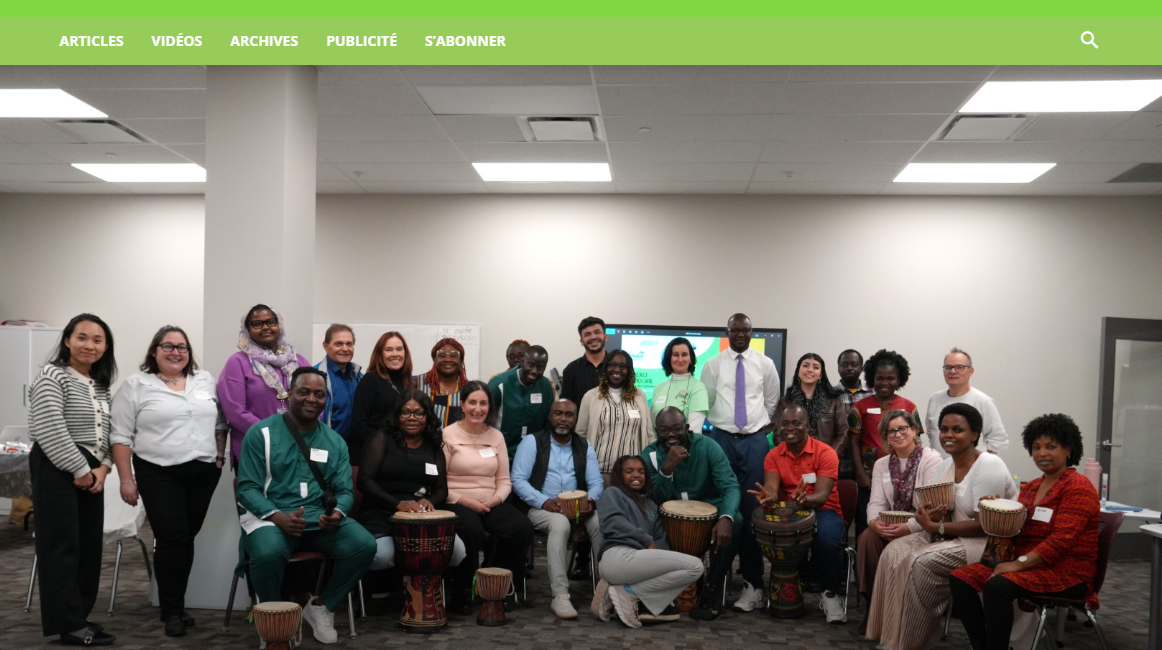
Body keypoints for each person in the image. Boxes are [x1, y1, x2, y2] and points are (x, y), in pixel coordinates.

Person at [236, 367, 376, 645]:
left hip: (317, 518)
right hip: (271, 518)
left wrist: (336, 513)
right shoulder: (260, 433)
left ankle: (322, 605)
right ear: (289, 394)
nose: (312, 399)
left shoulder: (334, 441)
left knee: (364, 545)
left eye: (319, 394)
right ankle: (274, 622)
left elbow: (345, 490)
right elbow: (246, 488)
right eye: (304, 392)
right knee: (267, 552)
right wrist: (277, 517)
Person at [865, 403, 1017, 650]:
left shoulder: (988, 464)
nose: (949, 435)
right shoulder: (946, 465)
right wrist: (928, 515)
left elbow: (983, 526)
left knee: (918, 561)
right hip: (947, 535)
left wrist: (937, 526)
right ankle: (891, 636)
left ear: (974, 434)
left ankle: (913, 642)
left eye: (958, 429)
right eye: (944, 429)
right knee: (894, 552)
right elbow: (927, 506)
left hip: (984, 544)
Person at [110, 325, 226, 637]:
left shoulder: (205, 380)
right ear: (154, 351)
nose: (176, 352)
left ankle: (176, 603)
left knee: (186, 537)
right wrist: (126, 479)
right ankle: (171, 610)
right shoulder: (136, 385)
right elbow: (120, 435)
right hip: (157, 471)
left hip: (202, 472)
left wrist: (219, 457)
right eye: (168, 346)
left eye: (182, 347)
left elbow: (220, 422)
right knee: (172, 537)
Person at [950, 413, 1100, 650]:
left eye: (1051, 447)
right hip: (1034, 565)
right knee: (961, 578)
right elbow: (1017, 529)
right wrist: (996, 510)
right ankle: (981, 644)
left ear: (1069, 449)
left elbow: (1061, 540)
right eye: (1036, 447)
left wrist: (1018, 564)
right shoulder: (1032, 487)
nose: (1042, 453)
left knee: (998, 586)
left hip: (1068, 572)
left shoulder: (1078, 487)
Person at [28, 314, 118, 646]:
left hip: (92, 471)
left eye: (98, 340)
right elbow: (50, 428)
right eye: (82, 337)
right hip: (57, 466)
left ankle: (79, 618)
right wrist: (80, 470)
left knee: (87, 548)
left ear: (106, 347)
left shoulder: (100, 384)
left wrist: (104, 468)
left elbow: (109, 434)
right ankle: (67, 623)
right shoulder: (53, 375)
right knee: (61, 548)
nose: (89, 345)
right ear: (67, 340)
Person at [698, 312, 780, 612]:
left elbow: (771, 401)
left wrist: (754, 428)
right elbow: (705, 402)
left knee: (751, 509)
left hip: (756, 441)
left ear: (751, 332)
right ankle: (717, 579)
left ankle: (753, 583)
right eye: (735, 330)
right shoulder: (712, 365)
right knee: (722, 507)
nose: (740, 335)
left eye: (745, 330)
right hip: (721, 440)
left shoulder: (765, 364)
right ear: (727, 332)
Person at [442, 380, 534, 612]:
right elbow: (439, 483)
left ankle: (496, 585)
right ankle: (463, 589)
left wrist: (494, 500)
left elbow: (504, 481)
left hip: (490, 501)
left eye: (483, 403)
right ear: (462, 404)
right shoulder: (447, 435)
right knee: (471, 531)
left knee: (521, 526)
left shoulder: (496, 437)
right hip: (457, 501)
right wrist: (465, 501)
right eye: (472, 402)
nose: (478, 408)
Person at [751, 403, 847, 623]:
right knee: (758, 531)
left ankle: (830, 594)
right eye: (784, 424)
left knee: (826, 540)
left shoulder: (826, 453)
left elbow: (822, 495)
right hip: (790, 513)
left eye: (796, 423)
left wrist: (805, 500)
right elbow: (773, 490)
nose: (789, 428)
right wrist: (768, 497)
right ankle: (769, 590)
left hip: (824, 510)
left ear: (808, 426)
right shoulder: (774, 455)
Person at [640, 407, 740, 621]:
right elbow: (654, 498)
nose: (670, 435)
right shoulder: (649, 454)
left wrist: (726, 517)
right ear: (656, 431)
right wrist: (667, 469)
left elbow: (730, 486)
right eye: (664, 430)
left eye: (676, 429)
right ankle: (663, 590)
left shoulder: (708, 446)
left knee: (737, 520)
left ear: (687, 427)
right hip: (668, 519)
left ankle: (711, 591)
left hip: (709, 514)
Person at [511, 398, 604, 620]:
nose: (563, 419)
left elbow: (596, 482)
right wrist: (544, 501)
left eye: (569, 415)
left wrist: (590, 500)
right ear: (550, 416)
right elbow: (518, 480)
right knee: (560, 524)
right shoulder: (532, 442)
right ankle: (560, 596)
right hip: (540, 507)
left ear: (575, 419)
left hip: (578, 507)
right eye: (558, 413)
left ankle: (608, 588)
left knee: (602, 522)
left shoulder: (585, 445)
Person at [355, 391, 466, 574]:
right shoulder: (381, 438)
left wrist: (431, 501)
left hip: (419, 517)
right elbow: (364, 481)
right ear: (397, 415)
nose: (411, 418)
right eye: (405, 412)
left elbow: (441, 489)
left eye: (419, 413)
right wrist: (397, 503)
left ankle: (422, 591)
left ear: (427, 416)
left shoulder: (433, 445)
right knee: (381, 556)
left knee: (457, 552)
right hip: (381, 511)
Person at [592, 455, 705, 628]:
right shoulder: (612, 493)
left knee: (692, 569)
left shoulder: (650, 505)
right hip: (617, 556)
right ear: (619, 475)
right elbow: (612, 523)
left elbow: (659, 538)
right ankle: (629, 593)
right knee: (695, 566)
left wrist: (657, 552)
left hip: (638, 561)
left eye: (641, 472)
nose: (636, 475)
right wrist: (645, 539)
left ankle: (618, 592)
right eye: (629, 471)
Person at [854, 409, 941, 629]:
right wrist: (874, 522)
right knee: (866, 537)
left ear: (913, 430)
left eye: (902, 428)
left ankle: (895, 613)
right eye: (890, 432)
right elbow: (876, 503)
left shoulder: (931, 459)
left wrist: (908, 528)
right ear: (885, 438)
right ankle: (873, 605)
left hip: (920, 529)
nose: (897, 434)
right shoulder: (881, 464)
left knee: (897, 546)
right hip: (889, 527)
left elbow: (930, 507)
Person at [218, 304, 310, 465]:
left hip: (297, 445)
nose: (265, 327)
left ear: (279, 325)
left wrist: (303, 429)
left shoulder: (299, 361)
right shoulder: (237, 362)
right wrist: (274, 435)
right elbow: (235, 412)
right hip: (256, 449)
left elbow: (314, 401)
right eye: (257, 324)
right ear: (247, 329)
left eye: (271, 322)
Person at [848, 348, 922, 539]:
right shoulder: (859, 407)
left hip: (904, 478)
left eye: (891, 378)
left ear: (899, 380)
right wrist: (861, 474)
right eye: (880, 378)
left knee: (899, 525)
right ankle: (863, 566)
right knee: (865, 525)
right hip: (869, 477)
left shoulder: (909, 407)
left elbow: (917, 440)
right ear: (872, 378)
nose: (885, 383)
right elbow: (853, 442)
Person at [576, 349, 654, 480]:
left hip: (631, 474)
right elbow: (580, 435)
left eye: (623, 366)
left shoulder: (640, 396)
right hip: (599, 472)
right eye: (612, 365)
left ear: (629, 370)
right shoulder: (591, 397)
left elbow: (649, 434)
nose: (617, 369)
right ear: (605, 368)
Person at [924, 348, 1008, 456]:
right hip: (939, 467)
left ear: (971, 371)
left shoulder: (983, 401)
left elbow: (998, 439)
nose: (953, 371)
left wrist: (983, 464)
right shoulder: (934, 399)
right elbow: (932, 432)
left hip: (972, 468)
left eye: (959, 367)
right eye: (948, 367)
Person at [349, 331, 413, 462]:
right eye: (389, 350)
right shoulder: (370, 380)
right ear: (380, 354)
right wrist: (380, 447)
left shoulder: (407, 383)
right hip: (372, 455)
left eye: (399, 349)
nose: (395, 354)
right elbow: (359, 422)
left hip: (397, 454)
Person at [489, 344, 553, 461]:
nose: (534, 371)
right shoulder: (499, 384)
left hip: (533, 456)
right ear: (522, 362)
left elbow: (547, 423)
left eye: (540, 368)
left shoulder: (546, 386)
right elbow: (485, 422)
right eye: (531, 365)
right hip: (501, 454)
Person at [776, 352, 848, 451]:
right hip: (793, 460)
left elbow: (843, 432)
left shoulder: (834, 400)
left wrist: (829, 457)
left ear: (821, 375)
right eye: (805, 366)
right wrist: (791, 457)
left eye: (816, 367)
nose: (810, 370)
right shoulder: (785, 401)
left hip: (825, 459)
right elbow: (778, 435)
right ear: (798, 371)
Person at [313, 324, 363, 441]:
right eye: (338, 344)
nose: (345, 349)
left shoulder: (358, 376)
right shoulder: (316, 377)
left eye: (349, 344)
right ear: (325, 346)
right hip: (328, 446)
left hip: (355, 449)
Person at [649, 337, 710, 432]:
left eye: (684, 355)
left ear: (690, 359)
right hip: (659, 445)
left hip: (686, 446)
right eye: (675, 355)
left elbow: (694, 429)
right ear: (669, 358)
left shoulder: (698, 387)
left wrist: (674, 446)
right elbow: (652, 425)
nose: (680, 359)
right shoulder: (659, 387)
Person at [414, 337, 468, 430]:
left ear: (461, 360)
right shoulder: (416, 383)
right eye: (442, 355)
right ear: (434, 359)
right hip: (423, 443)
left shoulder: (468, 390)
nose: (447, 359)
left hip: (455, 444)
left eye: (454, 355)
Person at [834, 349, 872, 482]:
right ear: (838, 368)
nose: (849, 368)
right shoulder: (829, 396)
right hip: (838, 464)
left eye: (854, 364)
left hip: (868, 466)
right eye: (844, 365)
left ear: (861, 368)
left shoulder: (873, 395)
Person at [561, 316, 607, 406]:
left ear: (605, 337)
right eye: (587, 334)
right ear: (581, 341)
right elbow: (567, 406)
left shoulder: (617, 367)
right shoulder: (571, 370)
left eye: (597, 332)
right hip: (582, 420)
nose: (593, 337)